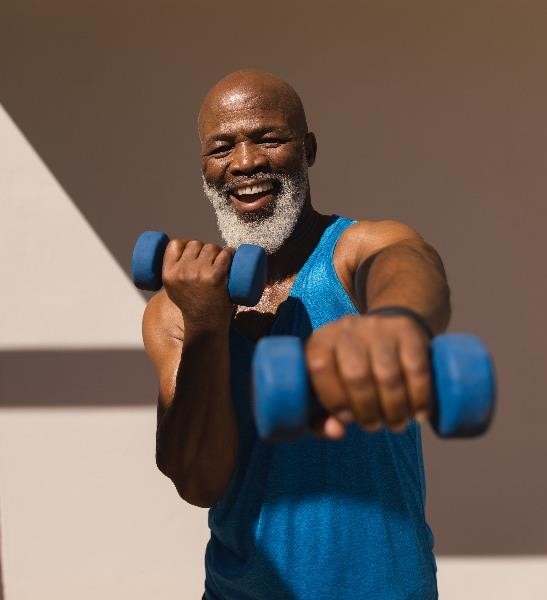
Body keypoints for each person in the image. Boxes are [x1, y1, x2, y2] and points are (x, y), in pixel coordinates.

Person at [142, 69, 449, 599]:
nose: (245, 162)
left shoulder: (355, 250)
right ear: (205, 168)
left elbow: (408, 265)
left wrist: (397, 323)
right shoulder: (174, 311)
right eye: (222, 148)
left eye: (268, 138)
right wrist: (208, 328)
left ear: (307, 149)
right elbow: (198, 482)